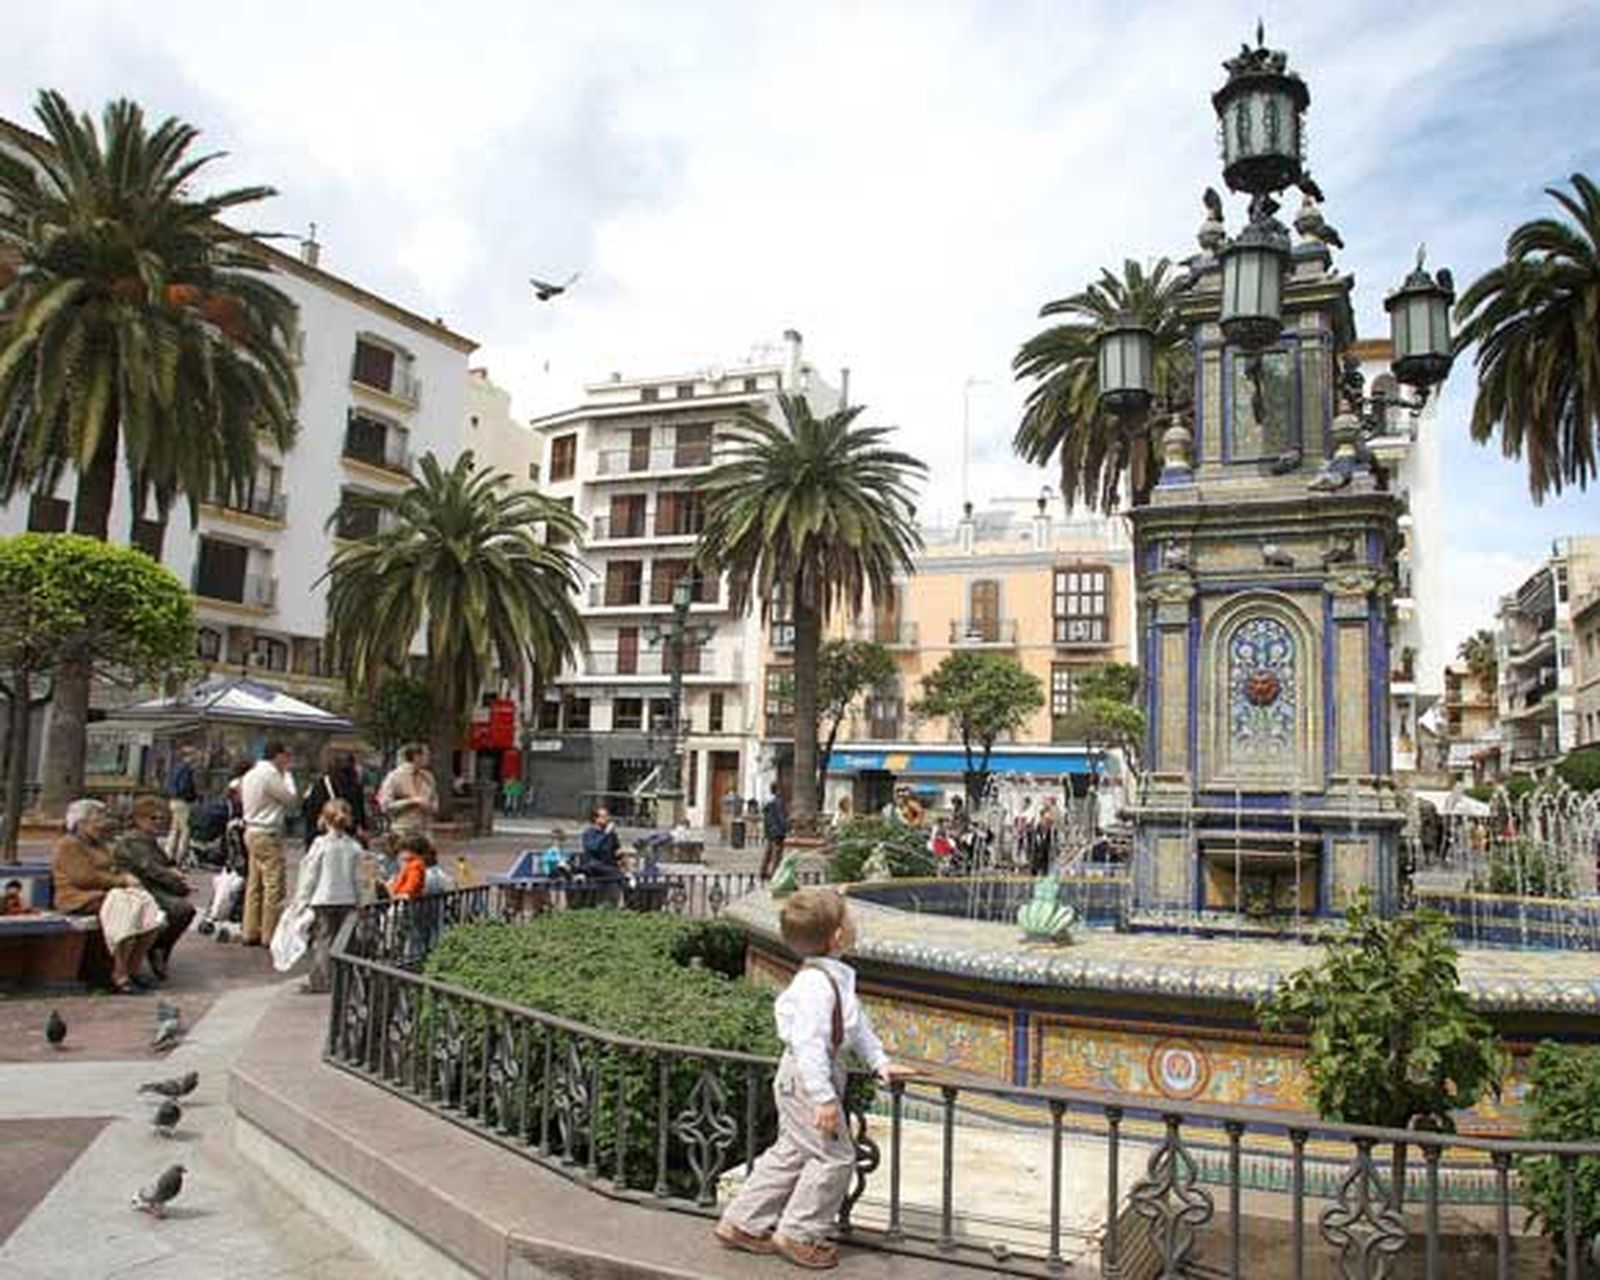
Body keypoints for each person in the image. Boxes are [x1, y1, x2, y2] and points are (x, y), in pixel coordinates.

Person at [713, 887, 912, 1269]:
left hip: (808, 1074)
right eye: (850, 919)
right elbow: (809, 1043)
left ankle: (742, 1222)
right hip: (808, 1076)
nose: (855, 925)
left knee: (792, 1151)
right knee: (835, 1156)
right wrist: (822, 1097)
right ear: (838, 936)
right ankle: (799, 1232)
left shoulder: (831, 977)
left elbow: (856, 1026)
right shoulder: (815, 985)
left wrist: (880, 1062)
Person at [52, 799, 162, 994]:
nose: (101, 825)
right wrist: (121, 881)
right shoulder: (68, 844)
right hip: (78, 897)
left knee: (150, 911)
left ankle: (132, 968)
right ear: (81, 823)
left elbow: (112, 868)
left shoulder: (99, 844)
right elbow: (83, 878)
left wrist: (122, 880)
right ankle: (119, 973)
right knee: (125, 910)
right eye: (96, 821)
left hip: (106, 894)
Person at [114, 796, 196, 981]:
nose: (158, 822)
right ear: (138, 818)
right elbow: (151, 868)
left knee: (182, 909)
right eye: (153, 818)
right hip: (139, 889)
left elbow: (164, 864)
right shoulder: (133, 840)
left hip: (152, 887)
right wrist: (178, 883)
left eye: (161, 818)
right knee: (180, 909)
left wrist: (175, 873)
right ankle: (157, 948)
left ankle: (159, 948)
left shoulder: (148, 839)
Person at [291, 798, 367, 993]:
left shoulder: (320, 845)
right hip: (347, 899)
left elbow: (310, 875)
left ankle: (322, 981)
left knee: (323, 941)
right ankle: (344, 980)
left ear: (324, 820)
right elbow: (359, 879)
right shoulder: (354, 847)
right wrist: (362, 901)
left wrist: (301, 900)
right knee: (345, 943)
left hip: (323, 899)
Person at [240, 741, 299, 947]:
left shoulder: (250, 774)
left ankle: (250, 930)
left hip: (251, 829)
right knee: (274, 885)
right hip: (267, 832)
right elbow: (290, 799)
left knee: (254, 884)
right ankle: (269, 933)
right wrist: (289, 776)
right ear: (278, 755)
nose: (289, 760)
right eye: (287, 756)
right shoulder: (271, 775)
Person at [300, 749, 369, 845]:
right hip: (348, 839)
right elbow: (360, 814)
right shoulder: (354, 785)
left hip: (322, 836)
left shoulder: (319, 785)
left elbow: (308, 811)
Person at [378, 744, 438, 839]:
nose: (429, 758)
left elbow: (434, 801)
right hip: (402, 830)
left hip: (425, 831)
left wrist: (430, 806)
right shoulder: (394, 776)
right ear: (416, 756)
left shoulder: (428, 777)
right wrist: (411, 801)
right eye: (426, 755)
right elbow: (385, 805)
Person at [164, 746, 199, 865]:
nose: (196, 757)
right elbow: (185, 787)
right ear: (188, 756)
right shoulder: (186, 769)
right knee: (186, 830)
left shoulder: (175, 768)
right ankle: (180, 858)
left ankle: (168, 854)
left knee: (174, 830)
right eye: (194, 755)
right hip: (183, 802)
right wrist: (193, 797)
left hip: (173, 800)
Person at [578, 807, 622, 878]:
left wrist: (622, 857)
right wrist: (605, 834)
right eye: (604, 816)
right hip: (594, 865)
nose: (607, 819)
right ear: (596, 819)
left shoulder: (611, 834)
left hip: (608, 865)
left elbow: (616, 850)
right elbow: (593, 847)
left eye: (607, 816)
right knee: (616, 874)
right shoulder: (589, 833)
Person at [387, 833, 429, 900]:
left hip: (407, 903)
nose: (400, 853)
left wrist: (392, 889)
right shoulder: (409, 864)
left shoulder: (416, 865)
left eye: (402, 850)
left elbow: (410, 888)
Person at [761, 783, 789, 880]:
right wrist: (785, 828)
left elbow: (766, 817)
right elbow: (781, 817)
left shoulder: (767, 801)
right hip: (778, 831)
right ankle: (774, 873)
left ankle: (763, 871)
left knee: (768, 852)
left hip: (769, 831)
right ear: (777, 790)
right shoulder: (778, 802)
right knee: (777, 854)